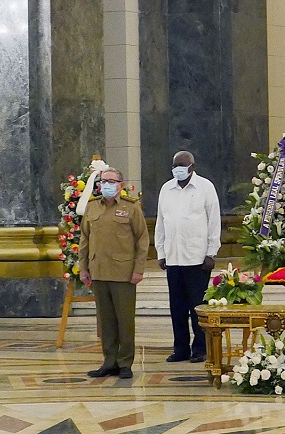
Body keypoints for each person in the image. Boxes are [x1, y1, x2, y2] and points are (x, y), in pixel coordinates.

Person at [78, 167, 149, 379]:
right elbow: (84, 240)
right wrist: (83, 268)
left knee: (124, 320)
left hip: (123, 273)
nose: (106, 185)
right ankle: (109, 361)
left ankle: (125, 362)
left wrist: (138, 269)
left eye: (110, 181)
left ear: (120, 184)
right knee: (106, 320)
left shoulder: (131, 208)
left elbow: (142, 240)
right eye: (103, 181)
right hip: (98, 271)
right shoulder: (92, 208)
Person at [155, 151, 221, 364]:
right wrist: (161, 252)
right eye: (175, 165)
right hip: (173, 258)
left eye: (182, 165)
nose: (178, 169)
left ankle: (200, 349)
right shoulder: (166, 189)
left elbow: (213, 221)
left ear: (192, 166)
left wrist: (212, 252)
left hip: (197, 259)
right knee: (177, 308)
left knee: (198, 307)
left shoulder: (205, 187)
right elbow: (161, 222)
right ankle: (180, 348)